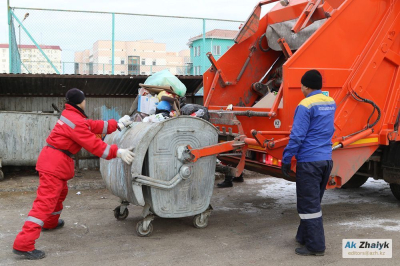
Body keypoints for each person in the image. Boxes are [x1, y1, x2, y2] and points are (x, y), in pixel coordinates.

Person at [13, 88, 135, 260]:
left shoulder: (72, 115)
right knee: (45, 203)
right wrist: (118, 152)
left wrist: (118, 124)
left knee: (59, 194)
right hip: (55, 163)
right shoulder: (76, 121)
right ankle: (23, 244)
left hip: (54, 161)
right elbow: (94, 144)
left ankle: (50, 223)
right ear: (81, 101)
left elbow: (94, 126)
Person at [281, 70, 336, 256]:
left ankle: (316, 246)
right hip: (326, 160)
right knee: (313, 202)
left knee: (308, 206)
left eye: (302, 86)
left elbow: (297, 137)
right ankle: (303, 236)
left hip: (309, 162)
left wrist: (287, 159)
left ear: (305, 86)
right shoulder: (330, 102)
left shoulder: (305, 105)